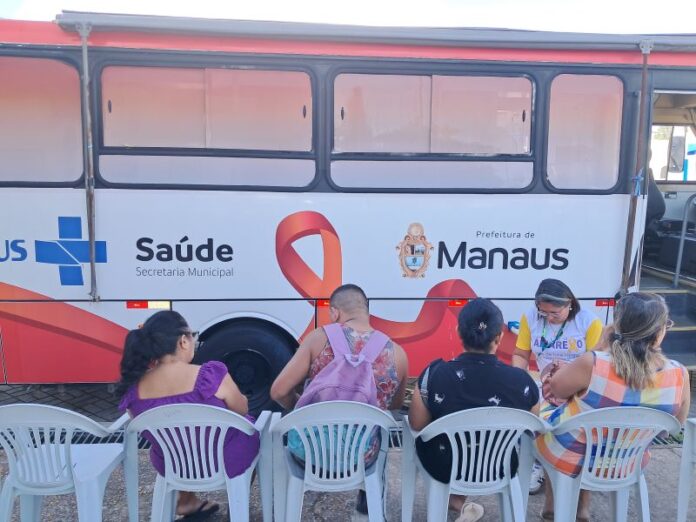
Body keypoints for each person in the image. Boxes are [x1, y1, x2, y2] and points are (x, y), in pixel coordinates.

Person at [536, 292, 691, 522]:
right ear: (659, 332)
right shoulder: (679, 374)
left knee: (549, 420)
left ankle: (552, 507)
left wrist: (601, 345)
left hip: (573, 458)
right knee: (588, 429)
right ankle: (581, 510)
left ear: (617, 325)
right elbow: (676, 424)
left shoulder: (593, 363)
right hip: (629, 461)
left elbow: (556, 390)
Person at [270, 283, 408, 514]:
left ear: (334, 312)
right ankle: (369, 503)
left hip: (309, 454)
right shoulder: (398, 354)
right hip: (360, 458)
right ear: (366, 311)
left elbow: (278, 391)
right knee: (379, 435)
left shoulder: (318, 339)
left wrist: (302, 410)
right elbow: (393, 406)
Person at [117, 311, 259, 521]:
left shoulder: (134, 389)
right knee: (249, 428)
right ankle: (237, 503)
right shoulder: (210, 375)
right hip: (225, 459)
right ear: (183, 341)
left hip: (173, 464)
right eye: (194, 336)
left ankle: (186, 500)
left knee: (180, 438)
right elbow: (241, 410)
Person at [409, 298, 540, 522]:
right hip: (499, 465)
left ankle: (454, 499)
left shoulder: (435, 374)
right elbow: (532, 424)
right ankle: (458, 501)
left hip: (445, 466)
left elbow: (417, 423)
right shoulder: (522, 382)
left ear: (459, 332)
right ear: (499, 337)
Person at [511, 278, 603, 493]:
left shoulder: (588, 322)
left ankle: (563, 464)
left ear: (569, 303)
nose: (548, 318)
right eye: (543, 312)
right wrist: (520, 379)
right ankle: (535, 463)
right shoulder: (530, 317)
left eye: (554, 313)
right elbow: (520, 354)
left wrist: (570, 376)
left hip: (578, 387)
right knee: (526, 414)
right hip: (544, 384)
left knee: (563, 421)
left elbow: (597, 365)